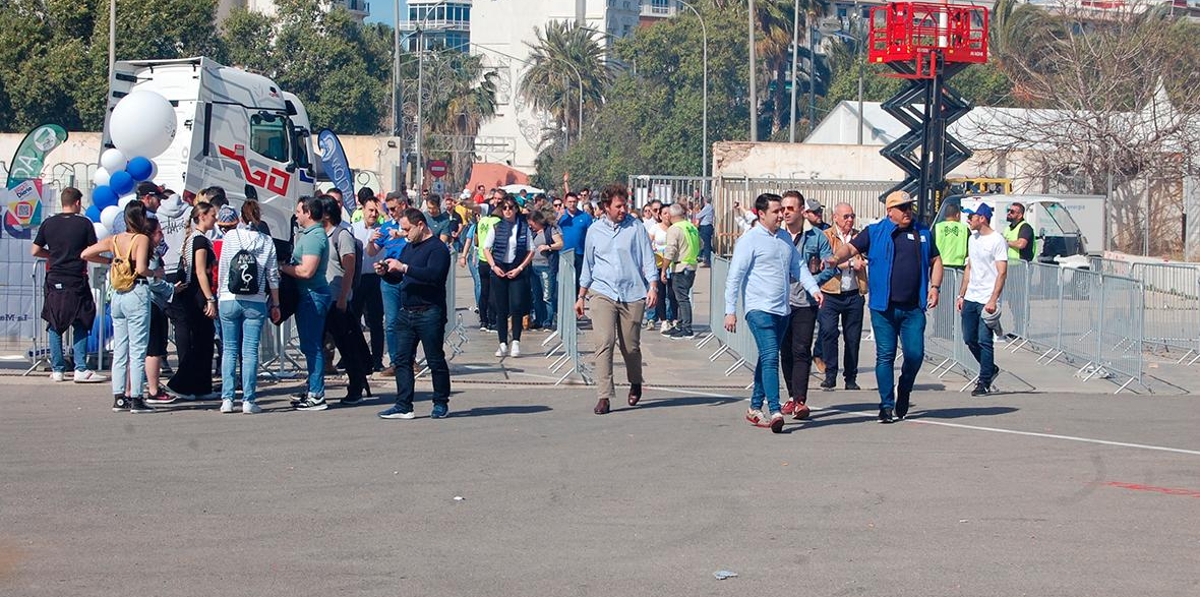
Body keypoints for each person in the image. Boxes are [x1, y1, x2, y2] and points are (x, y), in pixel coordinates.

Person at [827, 191, 944, 423]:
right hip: (884, 308)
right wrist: (834, 259)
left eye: (909, 206)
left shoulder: (922, 232)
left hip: (913, 308)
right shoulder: (876, 232)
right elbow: (850, 249)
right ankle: (886, 405)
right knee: (885, 356)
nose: (908, 211)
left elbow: (935, 260)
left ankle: (905, 387)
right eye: (902, 208)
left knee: (915, 354)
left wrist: (935, 287)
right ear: (889, 211)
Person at [726, 193, 823, 433]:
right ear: (761, 214)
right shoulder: (749, 240)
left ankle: (754, 407)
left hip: (783, 309)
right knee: (771, 356)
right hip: (759, 309)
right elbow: (734, 277)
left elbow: (798, 266)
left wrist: (814, 289)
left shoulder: (783, 239)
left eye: (782, 211)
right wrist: (730, 311)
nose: (782, 215)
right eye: (776, 212)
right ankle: (775, 409)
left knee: (766, 358)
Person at [575, 184, 658, 415]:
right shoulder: (594, 230)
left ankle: (635, 381)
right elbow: (588, 266)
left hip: (632, 293)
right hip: (602, 292)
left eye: (625, 205)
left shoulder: (636, 228)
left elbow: (648, 259)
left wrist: (653, 286)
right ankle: (604, 395)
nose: (623, 210)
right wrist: (581, 296)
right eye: (618, 206)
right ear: (605, 207)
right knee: (604, 342)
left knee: (630, 347)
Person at [376, 208, 452, 420]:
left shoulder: (437, 249)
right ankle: (403, 404)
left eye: (407, 229)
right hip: (407, 311)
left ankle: (440, 402)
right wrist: (387, 273)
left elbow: (434, 276)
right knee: (402, 359)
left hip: (429, 311)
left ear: (420, 225)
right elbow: (401, 277)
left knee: (434, 359)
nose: (405, 233)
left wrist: (405, 267)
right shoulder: (409, 247)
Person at [82, 201, 155, 413]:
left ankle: (119, 396)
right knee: (138, 348)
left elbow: (85, 254)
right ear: (140, 218)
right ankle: (137, 398)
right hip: (137, 291)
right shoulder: (141, 238)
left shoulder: (114, 239)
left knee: (121, 348)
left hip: (118, 296)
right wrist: (155, 274)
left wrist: (110, 261)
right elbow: (141, 268)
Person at [31, 188, 106, 383]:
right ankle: (80, 368)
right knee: (80, 321)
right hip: (76, 280)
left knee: (55, 324)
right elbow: (90, 252)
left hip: (54, 279)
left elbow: (35, 250)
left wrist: (53, 255)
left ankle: (58, 369)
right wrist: (108, 261)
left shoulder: (49, 223)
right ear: (78, 203)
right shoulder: (84, 224)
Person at [216, 202, 281, 414]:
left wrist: (219, 294)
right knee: (250, 351)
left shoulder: (230, 237)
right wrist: (276, 303)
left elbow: (224, 267)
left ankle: (227, 399)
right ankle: (248, 399)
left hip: (229, 296)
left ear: (240, 217)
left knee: (229, 349)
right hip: (256, 299)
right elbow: (272, 275)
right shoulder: (266, 241)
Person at [777, 192, 831, 419]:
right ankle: (791, 396)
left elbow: (830, 266)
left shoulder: (816, 236)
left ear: (801, 210)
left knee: (801, 350)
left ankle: (800, 400)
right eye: (783, 209)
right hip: (779, 302)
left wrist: (813, 284)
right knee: (785, 352)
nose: (786, 212)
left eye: (790, 208)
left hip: (805, 303)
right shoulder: (776, 236)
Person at [280, 196, 332, 411]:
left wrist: (283, 268)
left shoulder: (313, 237)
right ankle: (313, 386)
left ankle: (317, 394)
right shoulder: (310, 235)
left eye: (299, 211)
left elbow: (307, 270)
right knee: (309, 345)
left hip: (313, 295)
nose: (297, 215)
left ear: (308, 213)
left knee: (312, 346)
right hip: (308, 295)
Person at [320, 195, 372, 404]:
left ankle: (356, 385)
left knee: (347, 345)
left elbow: (348, 268)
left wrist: (343, 297)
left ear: (326, 214)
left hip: (337, 300)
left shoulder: (341, 236)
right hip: (322, 298)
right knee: (319, 344)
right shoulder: (319, 235)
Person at [166, 201, 218, 400]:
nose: (215, 219)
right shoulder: (199, 241)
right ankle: (182, 384)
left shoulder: (194, 239)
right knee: (201, 339)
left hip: (193, 293)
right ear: (202, 216)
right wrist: (209, 299)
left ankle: (201, 386)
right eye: (212, 215)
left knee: (204, 340)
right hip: (196, 294)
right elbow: (199, 271)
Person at [956, 203, 1007, 396]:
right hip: (971, 297)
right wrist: (962, 294)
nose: (969, 220)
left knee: (985, 340)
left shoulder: (997, 240)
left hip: (987, 298)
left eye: (972, 217)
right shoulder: (973, 239)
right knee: (969, 338)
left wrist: (993, 299)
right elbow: (969, 268)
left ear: (982, 218)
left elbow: (1002, 272)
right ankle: (990, 368)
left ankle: (983, 381)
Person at [818, 202, 867, 392]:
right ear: (835, 218)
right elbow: (826, 261)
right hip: (830, 293)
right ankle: (830, 374)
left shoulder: (859, 236)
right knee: (829, 332)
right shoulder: (826, 236)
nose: (850, 220)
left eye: (852, 216)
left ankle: (851, 378)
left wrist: (858, 262)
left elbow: (864, 258)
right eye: (846, 216)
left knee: (852, 338)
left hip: (854, 293)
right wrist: (850, 264)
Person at [484, 196, 535, 357]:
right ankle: (502, 343)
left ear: (516, 209)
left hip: (516, 270)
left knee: (517, 306)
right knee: (501, 308)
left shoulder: (523, 228)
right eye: (504, 207)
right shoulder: (497, 227)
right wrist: (493, 266)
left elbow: (531, 250)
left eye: (511, 207)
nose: (507, 210)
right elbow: (486, 248)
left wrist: (520, 268)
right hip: (499, 269)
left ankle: (516, 342)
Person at [373, 191, 410, 376]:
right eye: (388, 209)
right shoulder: (386, 227)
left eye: (394, 208)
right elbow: (372, 251)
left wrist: (403, 234)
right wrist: (371, 242)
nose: (391, 212)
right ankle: (395, 361)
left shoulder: (414, 224)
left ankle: (409, 359)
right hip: (389, 280)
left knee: (411, 321)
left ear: (403, 205)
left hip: (410, 278)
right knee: (391, 322)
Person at [352, 194, 388, 372]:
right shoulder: (353, 229)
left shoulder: (384, 230)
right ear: (363, 210)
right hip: (357, 279)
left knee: (375, 321)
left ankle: (377, 359)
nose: (373, 214)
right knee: (353, 320)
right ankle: (352, 356)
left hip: (376, 279)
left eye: (376, 211)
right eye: (370, 210)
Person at [661, 203, 701, 339]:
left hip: (680, 266)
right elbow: (701, 243)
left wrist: (664, 269)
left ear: (671, 216)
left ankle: (686, 328)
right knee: (681, 297)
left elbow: (670, 250)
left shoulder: (674, 229)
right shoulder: (691, 227)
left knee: (682, 299)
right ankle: (681, 324)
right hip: (691, 265)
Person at [528, 208, 564, 330]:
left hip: (546, 266)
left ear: (537, 221)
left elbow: (560, 244)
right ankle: (539, 319)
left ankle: (548, 321)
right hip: (533, 267)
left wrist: (548, 247)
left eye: (532, 224)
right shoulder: (531, 232)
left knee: (547, 296)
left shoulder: (550, 230)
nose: (531, 226)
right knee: (536, 295)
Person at [474, 190, 504, 330]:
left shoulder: (481, 222)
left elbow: (476, 240)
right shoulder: (498, 222)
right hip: (493, 259)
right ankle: (492, 320)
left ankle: (483, 320)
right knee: (493, 291)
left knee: (484, 291)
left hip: (482, 259)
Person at [560, 174, 594, 295]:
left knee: (579, 283)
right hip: (564, 254)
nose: (572, 204)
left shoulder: (585, 217)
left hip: (580, 254)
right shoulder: (561, 218)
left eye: (574, 202)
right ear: (565, 202)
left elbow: (591, 236)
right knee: (565, 283)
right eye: (569, 202)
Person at [934, 203, 969, 269]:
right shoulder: (964, 229)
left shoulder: (937, 228)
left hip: (939, 267)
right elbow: (969, 249)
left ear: (945, 215)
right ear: (957, 215)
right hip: (958, 269)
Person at [694, 197, 714, 266]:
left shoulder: (708, 207)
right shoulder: (707, 207)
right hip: (704, 227)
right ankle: (704, 258)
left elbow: (698, 216)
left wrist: (696, 212)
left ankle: (707, 261)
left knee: (706, 244)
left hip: (706, 227)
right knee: (704, 244)